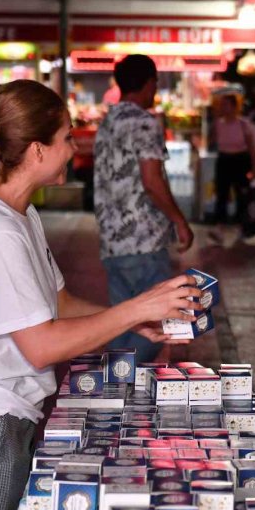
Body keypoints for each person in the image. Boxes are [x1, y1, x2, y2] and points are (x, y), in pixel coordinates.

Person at [0, 80, 200, 510]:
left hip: (0, 420)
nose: (73, 147)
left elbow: (58, 303)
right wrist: (136, 307)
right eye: (66, 138)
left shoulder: (20, 216)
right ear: (37, 150)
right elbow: (42, 346)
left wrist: (136, 319)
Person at [94, 54, 195, 362]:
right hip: (143, 240)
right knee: (153, 329)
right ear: (150, 83)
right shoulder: (143, 121)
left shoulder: (108, 121)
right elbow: (151, 179)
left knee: (125, 326)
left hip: (112, 242)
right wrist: (179, 220)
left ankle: (118, 396)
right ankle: (119, 384)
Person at [211, 93, 255, 224]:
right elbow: (213, 141)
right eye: (222, 105)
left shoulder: (243, 124)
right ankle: (221, 221)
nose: (223, 107)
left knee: (241, 192)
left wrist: (254, 166)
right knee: (222, 192)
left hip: (240, 160)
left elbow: (251, 147)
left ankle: (241, 221)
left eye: (226, 105)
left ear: (234, 107)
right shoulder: (218, 124)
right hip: (224, 159)